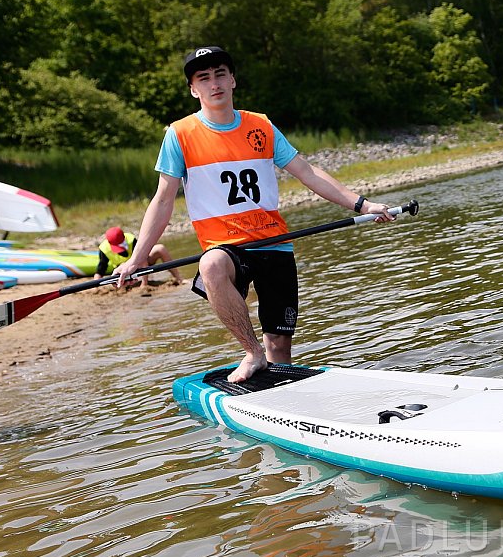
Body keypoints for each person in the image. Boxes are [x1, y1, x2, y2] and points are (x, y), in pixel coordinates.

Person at [113, 46, 393, 383]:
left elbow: (307, 172)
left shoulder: (260, 125)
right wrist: (137, 258)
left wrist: (363, 205)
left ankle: (277, 387)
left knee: (280, 347)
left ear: (232, 79)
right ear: (193, 89)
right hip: (226, 247)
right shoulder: (180, 135)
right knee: (211, 265)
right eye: (203, 78)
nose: (213, 83)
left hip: (275, 243)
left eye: (220, 74)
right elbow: (162, 200)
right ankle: (251, 351)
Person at [94, 226, 183, 285]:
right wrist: (95, 285)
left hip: (139, 264)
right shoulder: (104, 248)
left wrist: (144, 284)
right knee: (121, 266)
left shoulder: (131, 239)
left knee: (160, 248)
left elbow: (142, 259)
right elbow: (101, 269)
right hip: (123, 270)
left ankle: (179, 279)